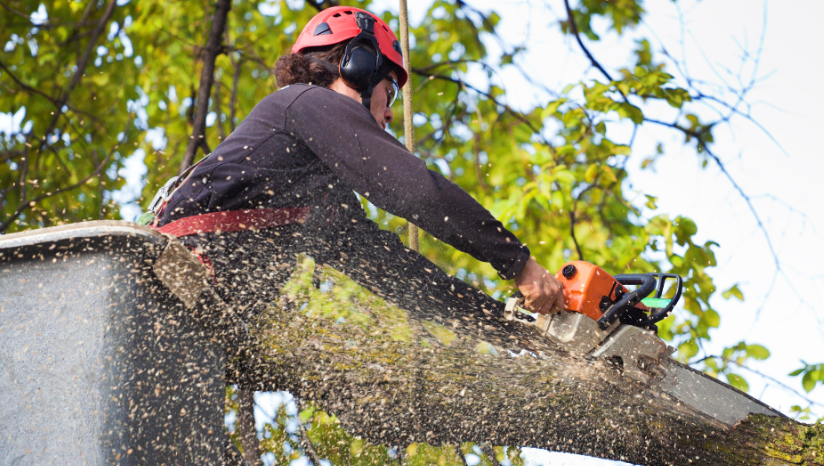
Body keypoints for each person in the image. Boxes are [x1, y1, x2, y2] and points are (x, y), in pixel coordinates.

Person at [150, 5, 564, 324]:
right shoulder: (305, 103)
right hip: (162, 285)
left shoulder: (319, 193)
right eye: (390, 91)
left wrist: (508, 325)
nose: (390, 113)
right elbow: (416, 191)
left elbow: (396, 273)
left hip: (190, 316)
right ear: (359, 67)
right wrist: (519, 263)